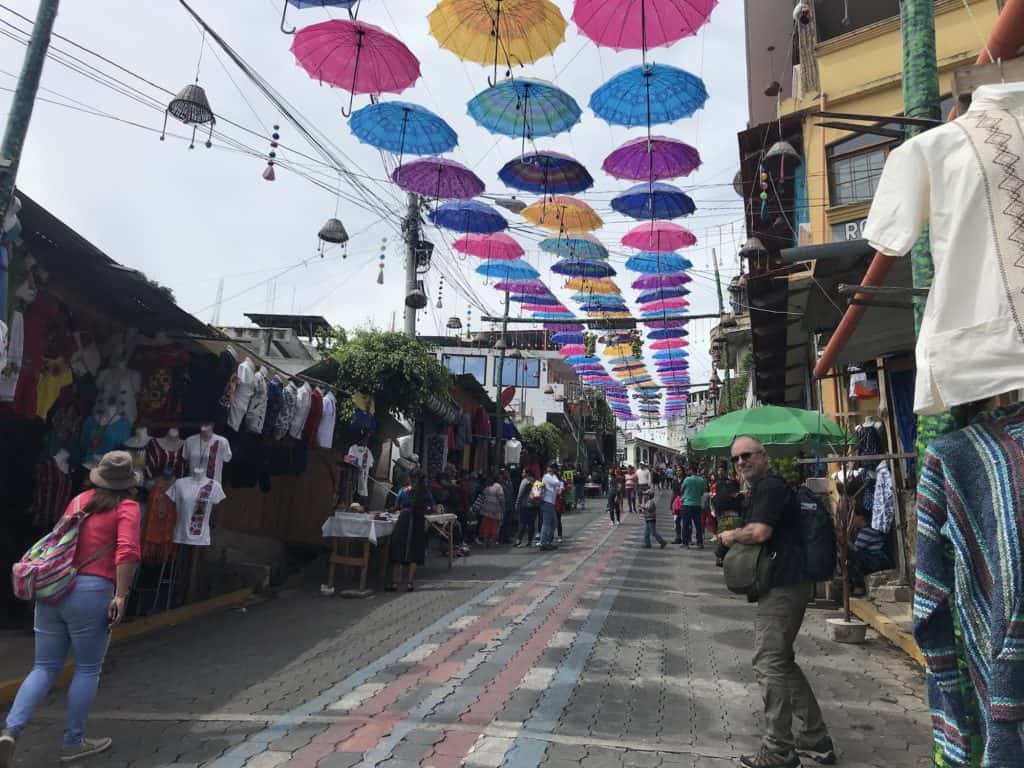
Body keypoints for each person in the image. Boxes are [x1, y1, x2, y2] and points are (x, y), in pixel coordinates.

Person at [1, 451, 141, 766]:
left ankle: (10, 729)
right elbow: (127, 551)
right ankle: (73, 742)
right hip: (92, 591)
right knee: (88, 668)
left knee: (44, 666)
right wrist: (121, 595)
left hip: (54, 588)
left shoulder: (79, 501)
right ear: (128, 483)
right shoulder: (128, 508)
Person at [717, 436, 834, 768]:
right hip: (788, 584)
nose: (741, 462)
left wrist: (729, 536)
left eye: (747, 456)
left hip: (784, 586)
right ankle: (815, 739)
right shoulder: (765, 489)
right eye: (736, 459)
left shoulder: (770, 487)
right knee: (782, 661)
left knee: (767, 663)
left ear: (763, 456)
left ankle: (779, 749)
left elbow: (759, 533)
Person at [389, 471, 434, 591]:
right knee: (414, 550)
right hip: (418, 521)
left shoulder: (403, 491)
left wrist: (393, 509)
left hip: (404, 519)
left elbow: (396, 506)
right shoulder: (425, 492)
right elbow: (432, 507)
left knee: (398, 546)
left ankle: (395, 582)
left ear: (410, 478)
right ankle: (410, 583)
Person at [711, 463, 743, 567]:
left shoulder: (721, 491)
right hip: (732, 518)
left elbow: (715, 502)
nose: (720, 472)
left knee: (723, 537)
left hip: (723, 517)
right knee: (730, 538)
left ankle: (721, 557)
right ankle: (724, 557)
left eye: (721, 470)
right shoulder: (735, 496)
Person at [679, 466, 707, 548]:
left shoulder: (687, 479)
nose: (687, 471)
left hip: (687, 504)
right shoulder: (702, 480)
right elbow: (702, 492)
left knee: (685, 524)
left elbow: (681, 489)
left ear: (691, 470)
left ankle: (685, 543)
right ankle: (700, 542)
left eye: (688, 470)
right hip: (697, 505)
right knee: (698, 525)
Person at [539, 463, 563, 551]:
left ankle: (547, 541)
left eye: (553, 468)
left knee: (554, 522)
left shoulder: (554, 476)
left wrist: (560, 485)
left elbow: (559, 488)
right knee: (547, 523)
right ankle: (543, 543)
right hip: (546, 502)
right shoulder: (546, 476)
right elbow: (557, 484)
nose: (551, 469)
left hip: (551, 503)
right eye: (550, 467)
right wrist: (560, 483)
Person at [477, 473, 505, 546]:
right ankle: (492, 541)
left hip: (485, 510)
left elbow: (482, 497)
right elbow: (501, 499)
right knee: (494, 526)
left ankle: (485, 540)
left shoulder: (486, 486)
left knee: (486, 526)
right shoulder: (498, 486)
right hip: (495, 510)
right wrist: (503, 508)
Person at [514, 469, 537, 547]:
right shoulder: (534, 481)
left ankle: (518, 540)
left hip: (525, 505)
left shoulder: (525, 481)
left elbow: (520, 494)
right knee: (531, 524)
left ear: (527, 473)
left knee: (522, 523)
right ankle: (530, 541)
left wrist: (517, 504)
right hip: (534, 505)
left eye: (523, 472)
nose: (522, 473)